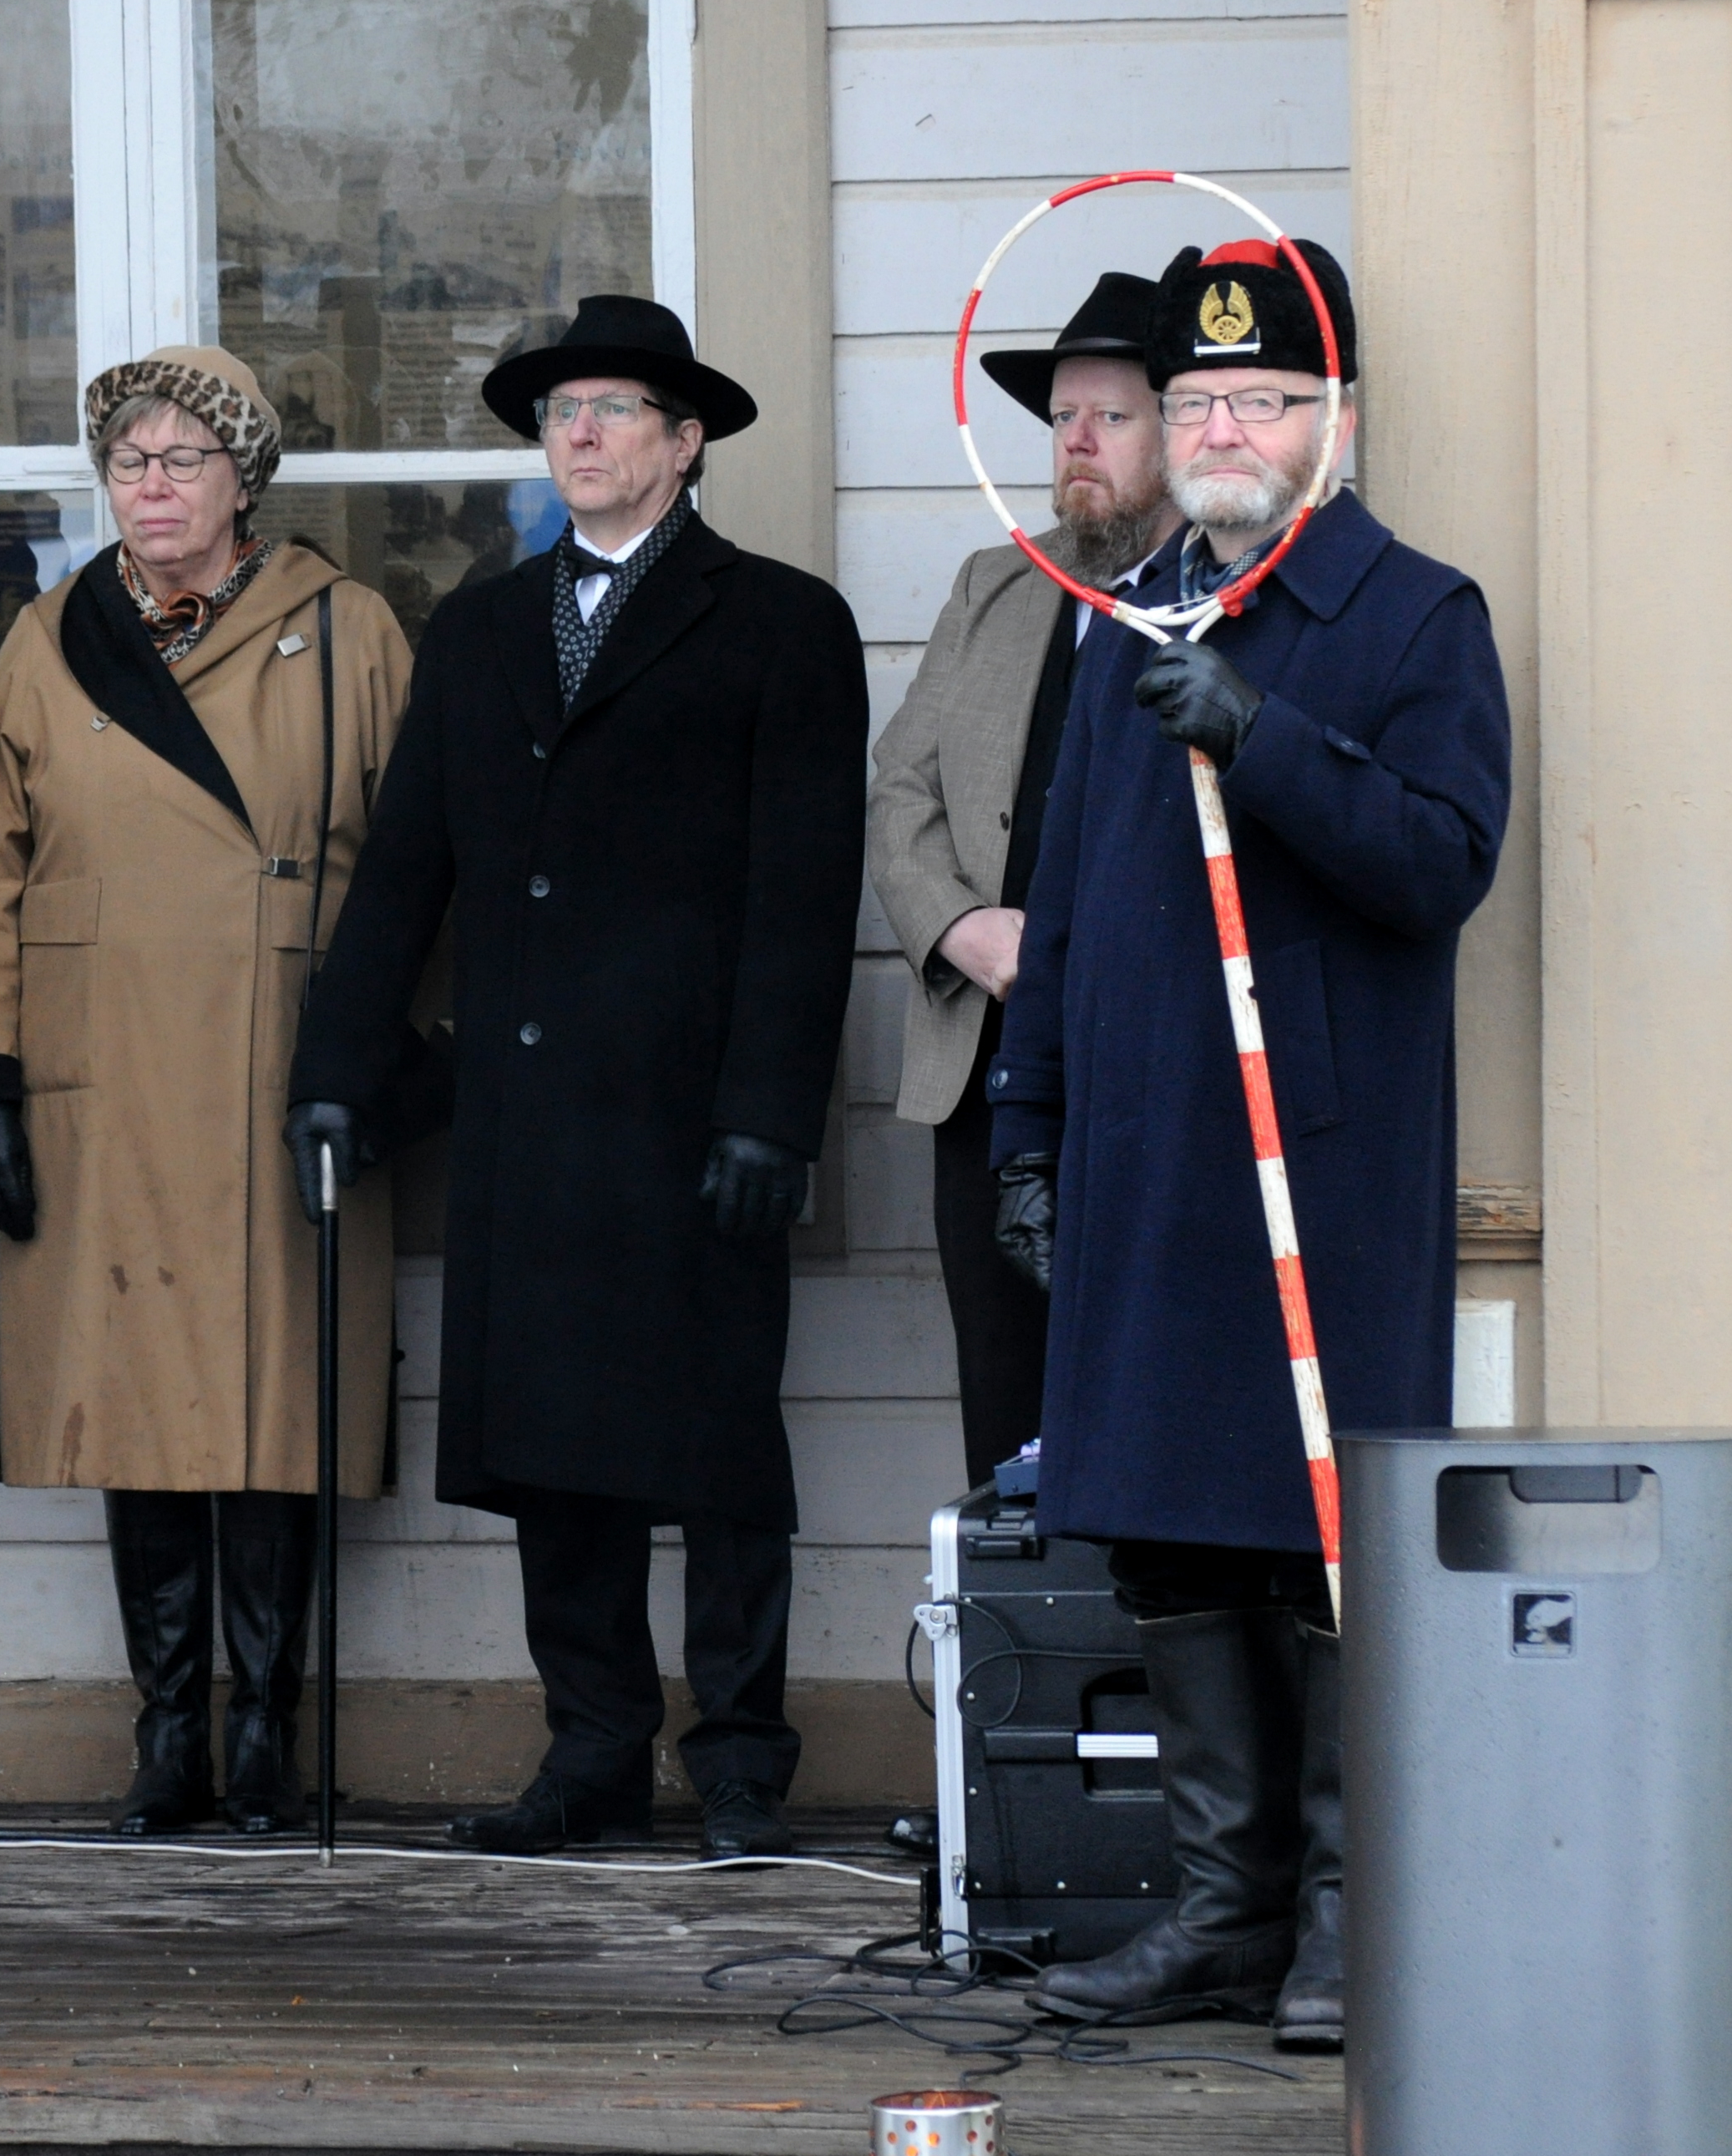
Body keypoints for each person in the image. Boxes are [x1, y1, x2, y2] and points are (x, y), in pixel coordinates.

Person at [990, 241, 1510, 2049]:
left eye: (1259, 400)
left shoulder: (1408, 615)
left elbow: (1442, 860)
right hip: (1142, 1152)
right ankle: (1220, 1915)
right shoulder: (1121, 612)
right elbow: (1059, 899)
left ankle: (1352, 1926)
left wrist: (1265, 738)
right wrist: (1025, 1115)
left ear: (1329, 420)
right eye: (1197, 400)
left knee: (1314, 1544)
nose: (1220, 428)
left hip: (1316, 1160)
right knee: (1167, 1544)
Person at [286, 296, 868, 1861]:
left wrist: (769, 1112)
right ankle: (595, 1747)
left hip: (692, 1112)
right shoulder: (481, 625)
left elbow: (807, 893)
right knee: (558, 1453)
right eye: (563, 413)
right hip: (530, 1115)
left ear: (686, 444)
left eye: (617, 409)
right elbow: (405, 866)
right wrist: (338, 1067)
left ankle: (740, 1759)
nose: (584, 434)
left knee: (723, 1448)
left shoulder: (779, 621)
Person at [0, 346, 415, 1836]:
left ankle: (261, 1729)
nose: (151, 485)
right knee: (132, 1402)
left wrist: (389, 1054)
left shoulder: (348, 632)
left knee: (272, 1405)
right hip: (104, 1073)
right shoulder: (45, 637)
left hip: (280, 1064)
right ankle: (166, 1730)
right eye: (128, 462)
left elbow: (414, 872)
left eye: (182, 460)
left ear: (242, 482)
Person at [863, 271, 1179, 1489]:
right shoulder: (995, 585)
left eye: (1112, 418)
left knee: (1149, 1394)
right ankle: (1018, 1663)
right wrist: (960, 929)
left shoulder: (1227, 595)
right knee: (1005, 1405)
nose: (1079, 447)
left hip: (1152, 1065)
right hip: (988, 1066)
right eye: (1061, 423)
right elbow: (902, 790)